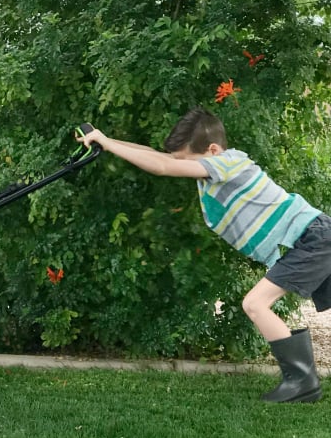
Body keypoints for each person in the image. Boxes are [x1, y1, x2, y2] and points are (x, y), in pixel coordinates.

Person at [81, 108, 330, 404]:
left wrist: (108, 144)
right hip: (309, 238)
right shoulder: (214, 171)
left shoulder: (229, 162)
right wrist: (106, 140)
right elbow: (159, 157)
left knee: (255, 303)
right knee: (258, 303)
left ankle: (302, 382)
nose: (181, 167)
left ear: (212, 150)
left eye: (186, 160)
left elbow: (161, 166)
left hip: (311, 238)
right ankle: (302, 382)